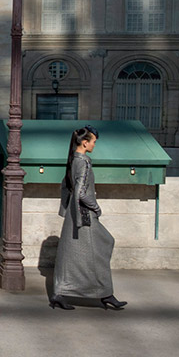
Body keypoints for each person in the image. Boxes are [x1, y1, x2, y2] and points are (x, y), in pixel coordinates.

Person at [51, 126, 127, 311]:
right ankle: (105, 293)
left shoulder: (73, 160)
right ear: (85, 143)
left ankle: (60, 293)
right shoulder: (84, 161)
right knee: (103, 246)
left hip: (74, 213)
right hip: (84, 214)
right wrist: (96, 207)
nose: (94, 144)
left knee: (71, 254)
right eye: (93, 141)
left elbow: (67, 186)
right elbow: (82, 192)